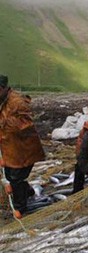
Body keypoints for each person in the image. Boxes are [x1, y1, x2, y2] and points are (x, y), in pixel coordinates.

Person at [0, 74, 45, 215]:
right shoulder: (3, 99)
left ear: (2, 88)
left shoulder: (17, 102)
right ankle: (29, 191)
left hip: (23, 149)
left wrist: (4, 123)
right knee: (9, 175)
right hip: (10, 148)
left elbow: (26, 125)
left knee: (16, 178)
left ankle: (20, 207)